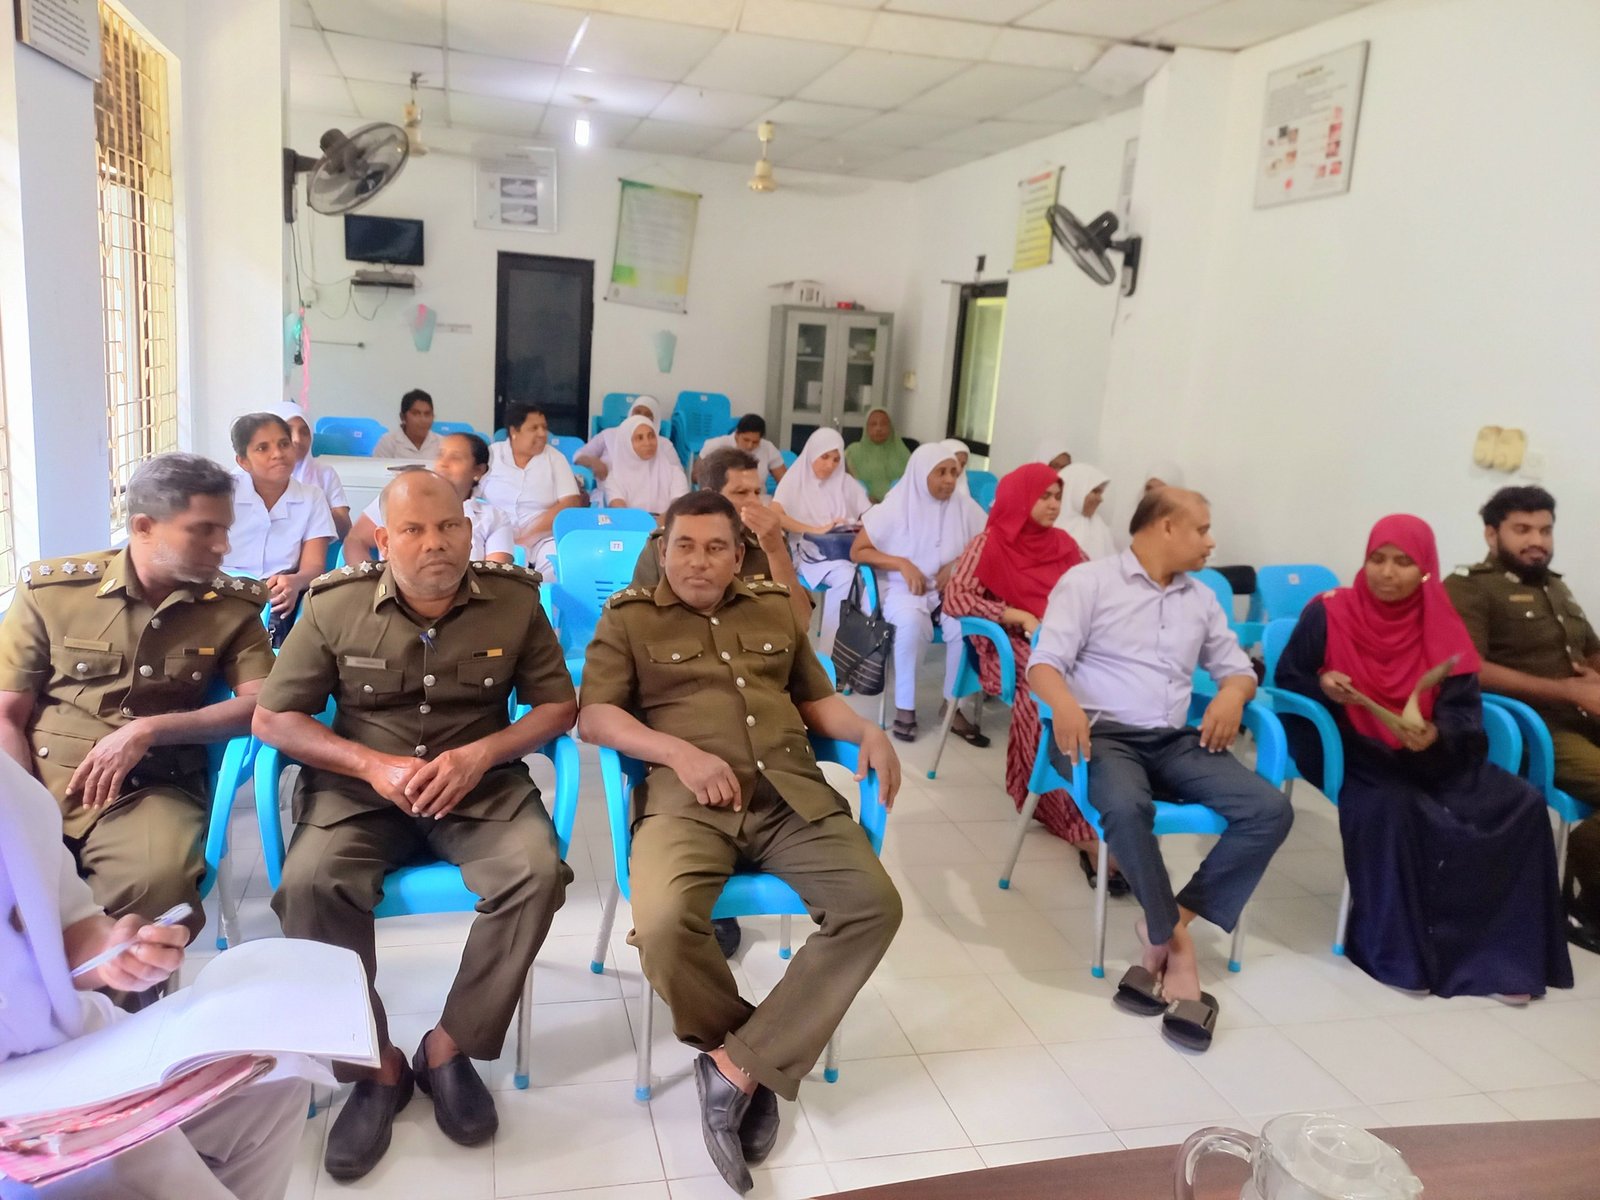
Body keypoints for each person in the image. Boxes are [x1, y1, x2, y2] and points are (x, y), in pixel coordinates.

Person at [255, 470, 577, 1181]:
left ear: (470, 528)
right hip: (361, 794)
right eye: (414, 530)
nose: (436, 543)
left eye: (450, 526)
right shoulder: (334, 604)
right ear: (382, 539)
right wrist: (369, 764)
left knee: (536, 872)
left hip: (479, 788)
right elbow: (274, 719)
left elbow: (558, 707)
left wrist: (481, 754)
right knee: (310, 884)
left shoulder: (515, 602)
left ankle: (449, 1048)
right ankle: (375, 1065)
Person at [579, 490, 902, 1195]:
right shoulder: (629, 617)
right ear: (663, 549)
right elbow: (596, 717)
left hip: (788, 797)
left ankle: (733, 1069)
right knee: (663, 925)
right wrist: (679, 753)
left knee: (874, 905)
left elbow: (815, 699)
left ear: (737, 554)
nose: (699, 561)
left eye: (715, 548)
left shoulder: (773, 608)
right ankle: (755, 1053)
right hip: (686, 805)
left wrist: (867, 730)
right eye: (685, 546)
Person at [1028, 488, 1292, 1052]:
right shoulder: (1090, 582)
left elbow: (1237, 669)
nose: (1211, 541)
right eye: (1202, 528)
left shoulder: (1201, 598)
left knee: (1268, 810)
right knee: (1127, 807)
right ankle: (1179, 949)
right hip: (1099, 735)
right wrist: (1065, 704)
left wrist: (1233, 695)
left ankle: (1164, 930)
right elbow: (1043, 664)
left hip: (1173, 741)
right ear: (1166, 527)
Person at [1277, 514, 1572, 1001]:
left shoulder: (1442, 623)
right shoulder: (1329, 612)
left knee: (1519, 803)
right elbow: (1289, 680)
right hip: (1355, 751)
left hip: (1436, 755)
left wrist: (1437, 735)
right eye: (1377, 559)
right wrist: (1324, 684)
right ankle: (1401, 955)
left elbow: (1464, 710)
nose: (1387, 573)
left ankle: (1501, 959)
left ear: (1425, 570)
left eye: (1403, 562)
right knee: (1394, 809)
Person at [0, 454, 274, 972]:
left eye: (225, 529)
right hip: (40, 780)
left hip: (149, 789)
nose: (223, 546)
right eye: (204, 530)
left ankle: (122, 1010)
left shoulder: (231, 606)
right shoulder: (52, 594)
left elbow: (262, 705)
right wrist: (22, 812)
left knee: (153, 885)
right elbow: (6, 715)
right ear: (144, 527)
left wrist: (149, 729)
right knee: (17, 896)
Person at [0, 751, 310, 1200]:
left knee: (274, 1079)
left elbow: (64, 920)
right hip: (22, 1111)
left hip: (62, 1049)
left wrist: (112, 950)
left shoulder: (11, 787)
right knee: (140, 1168)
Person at [944, 465, 1126, 891]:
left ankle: (1109, 801)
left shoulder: (1064, 544)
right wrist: (1018, 615)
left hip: (1065, 643)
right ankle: (1071, 821)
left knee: (1110, 690)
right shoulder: (988, 543)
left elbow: (1095, 589)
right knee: (1045, 698)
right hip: (1013, 648)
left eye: (1057, 496)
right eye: (1044, 496)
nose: (1053, 505)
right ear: (1020, 498)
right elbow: (956, 598)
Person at [1442, 488, 1600, 951]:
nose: (1537, 541)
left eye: (1545, 530)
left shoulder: (1554, 586)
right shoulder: (1469, 587)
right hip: (1535, 727)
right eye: (1523, 529)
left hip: (1582, 715)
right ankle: (1586, 904)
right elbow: (1470, 667)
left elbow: (1591, 649)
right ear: (1492, 534)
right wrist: (1568, 690)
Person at [850, 443, 986, 742]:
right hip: (901, 588)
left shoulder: (964, 507)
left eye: (953, 472)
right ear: (921, 474)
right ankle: (905, 707)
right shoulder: (895, 507)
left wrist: (958, 563)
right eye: (941, 472)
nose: (949, 480)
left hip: (948, 592)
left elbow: (988, 543)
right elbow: (858, 551)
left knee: (964, 628)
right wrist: (901, 563)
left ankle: (953, 706)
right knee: (910, 625)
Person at [635, 448, 810, 633]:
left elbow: (800, 623)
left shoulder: (767, 542)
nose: (755, 502)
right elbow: (639, 621)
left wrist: (776, 551)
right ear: (710, 496)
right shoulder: (668, 546)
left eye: (757, 492)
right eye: (741, 492)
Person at [222, 413, 335, 647]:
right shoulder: (222, 494)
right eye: (262, 448)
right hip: (223, 589)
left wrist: (295, 582)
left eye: (284, 444)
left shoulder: (312, 497)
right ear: (243, 461)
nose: (278, 454)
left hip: (277, 593)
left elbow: (313, 567)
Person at [772, 428, 870, 654]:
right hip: (807, 549)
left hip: (844, 548)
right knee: (846, 576)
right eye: (824, 457)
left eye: (836, 459)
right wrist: (817, 529)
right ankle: (829, 652)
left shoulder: (846, 482)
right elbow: (775, 515)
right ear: (812, 454)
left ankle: (857, 650)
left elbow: (871, 515)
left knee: (871, 577)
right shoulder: (795, 479)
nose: (830, 465)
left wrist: (853, 525)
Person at [344, 439, 516, 567]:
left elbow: (494, 576)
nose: (444, 463)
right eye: (441, 455)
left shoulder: (494, 517)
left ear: (478, 470)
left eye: (455, 458)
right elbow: (355, 540)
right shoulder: (398, 497)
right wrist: (371, 584)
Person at [479, 403, 583, 573]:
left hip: (542, 537)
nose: (542, 434)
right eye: (534, 428)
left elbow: (570, 501)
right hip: (494, 534)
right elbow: (473, 497)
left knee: (556, 565)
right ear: (514, 431)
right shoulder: (492, 455)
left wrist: (529, 535)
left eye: (544, 427)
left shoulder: (555, 458)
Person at [277, 401, 352, 538]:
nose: (297, 439)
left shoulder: (325, 473)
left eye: (304, 432)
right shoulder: (248, 476)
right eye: (288, 431)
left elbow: (344, 528)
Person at [605, 414, 690, 516]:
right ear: (627, 444)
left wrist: (661, 522)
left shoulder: (675, 473)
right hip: (632, 525)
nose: (648, 443)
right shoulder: (614, 477)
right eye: (640, 438)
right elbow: (621, 512)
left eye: (651, 436)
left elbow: (679, 508)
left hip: (668, 524)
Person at [575, 395, 662, 483]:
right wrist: (593, 461)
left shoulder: (663, 444)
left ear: (655, 420)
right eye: (637, 412)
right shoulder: (609, 435)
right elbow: (578, 456)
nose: (641, 418)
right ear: (630, 413)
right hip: (607, 490)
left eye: (648, 415)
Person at [699, 414, 787, 489]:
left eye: (755, 442)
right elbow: (697, 476)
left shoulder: (768, 448)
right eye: (746, 440)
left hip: (757, 498)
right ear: (737, 434)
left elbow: (784, 481)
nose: (750, 446)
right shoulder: (715, 445)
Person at [844, 406, 910, 504]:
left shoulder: (902, 452)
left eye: (884, 424)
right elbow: (846, 485)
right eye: (873, 424)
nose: (878, 428)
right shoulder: (853, 452)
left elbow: (912, 485)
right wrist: (865, 499)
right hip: (862, 506)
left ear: (891, 427)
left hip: (898, 505)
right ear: (866, 428)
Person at [1059, 462, 1117, 561]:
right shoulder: (1049, 529)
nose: (1100, 499)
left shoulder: (1100, 527)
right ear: (1075, 490)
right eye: (1095, 491)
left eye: (1101, 493)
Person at [373, 388, 445, 460]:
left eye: (427, 414)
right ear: (403, 417)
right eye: (416, 413)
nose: (423, 419)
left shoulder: (442, 444)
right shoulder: (388, 442)